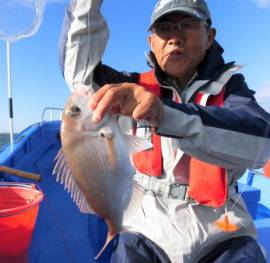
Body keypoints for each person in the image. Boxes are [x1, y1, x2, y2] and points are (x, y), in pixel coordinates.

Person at [59, 0, 270, 262]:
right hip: (146, 223)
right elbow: (79, 73)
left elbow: (262, 143)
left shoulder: (231, 87)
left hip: (222, 226)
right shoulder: (128, 88)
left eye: (187, 25)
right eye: (164, 28)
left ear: (210, 36)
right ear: (151, 42)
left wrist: (163, 113)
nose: (174, 37)